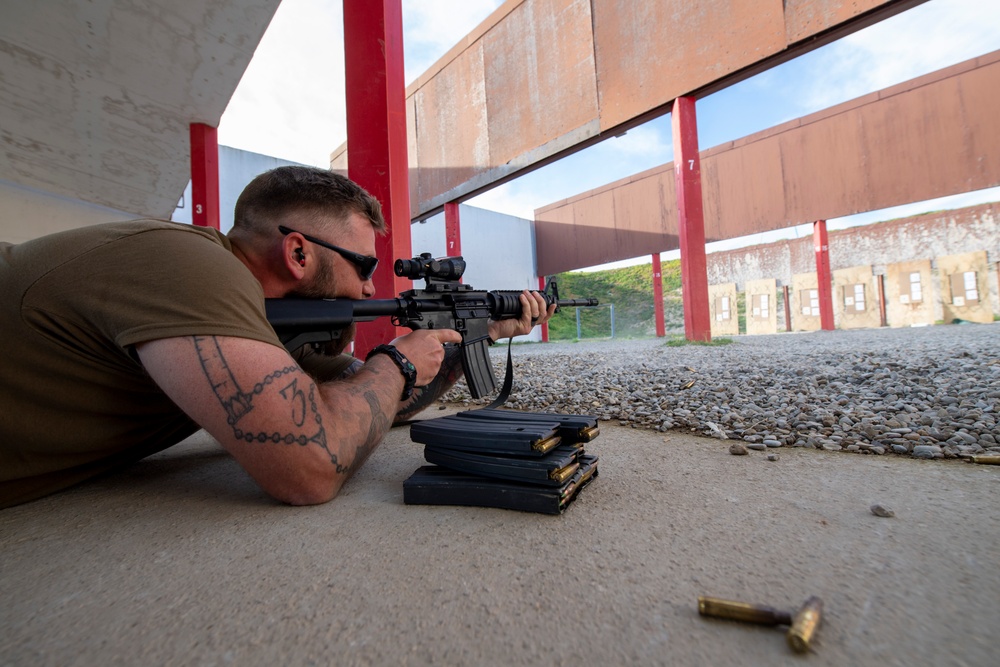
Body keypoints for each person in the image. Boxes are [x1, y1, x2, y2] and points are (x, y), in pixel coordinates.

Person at [0, 166, 554, 508]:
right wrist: (396, 363)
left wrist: (463, 342)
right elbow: (308, 468)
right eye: (362, 266)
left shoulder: (266, 319)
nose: (367, 288)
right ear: (297, 252)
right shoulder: (191, 266)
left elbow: (374, 408)